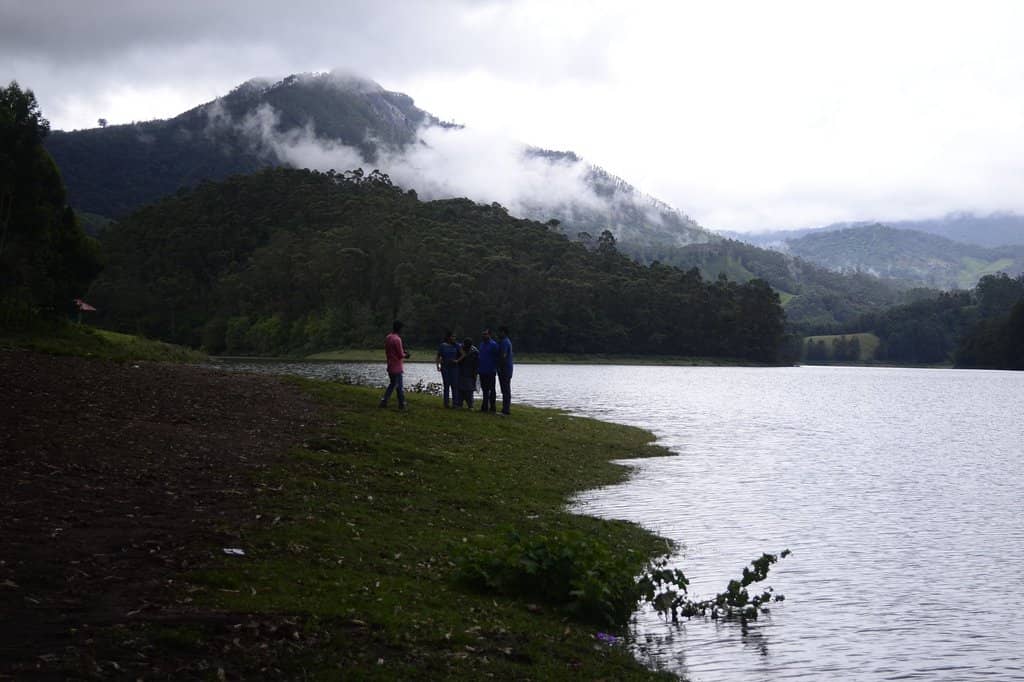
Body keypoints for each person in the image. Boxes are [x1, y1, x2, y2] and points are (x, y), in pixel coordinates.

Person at [379, 320, 410, 409]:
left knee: (393, 384)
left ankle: (385, 401)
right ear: (399, 329)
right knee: (399, 386)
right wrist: (406, 355)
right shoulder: (397, 339)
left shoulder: (388, 337)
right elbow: (400, 355)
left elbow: (392, 350)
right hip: (397, 366)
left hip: (390, 364)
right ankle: (401, 404)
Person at [435, 330, 461, 408]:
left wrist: (457, 360)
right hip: (445, 367)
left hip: (454, 368)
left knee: (455, 385)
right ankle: (446, 403)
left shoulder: (457, 345)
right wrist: (437, 365)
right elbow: (438, 356)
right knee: (446, 385)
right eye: (452, 336)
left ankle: (455, 404)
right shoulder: (443, 345)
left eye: (455, 337)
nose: (454, 338)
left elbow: (463, 354)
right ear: (448, 337)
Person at [477, 328, 500, 412]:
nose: (484, 335)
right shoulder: (481, 344)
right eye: (483, 334)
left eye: (486, 334)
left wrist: (496, 368)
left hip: (491, 371)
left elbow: (497, 357)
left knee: (492, 390)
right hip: (482, 371)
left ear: (490, 335)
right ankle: (484, 407)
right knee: (484, 390)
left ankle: (493, 407)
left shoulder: (494, 345)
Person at [455, 337, 479, 408]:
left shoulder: (475, 352)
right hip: (461, 373)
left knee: (469, 391)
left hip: (470, 375)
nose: (466, 347)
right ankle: (459, 404)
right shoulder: (459, 349)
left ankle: (470, 405)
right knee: (460, 390)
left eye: (468, 345)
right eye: (465, 345)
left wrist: (475, 374)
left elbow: (476, 364)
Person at [497, 325, 514, 415]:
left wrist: (499, 367)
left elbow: (503, 356)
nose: (499, 334)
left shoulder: (504, 342)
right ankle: (505, 409)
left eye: (500, 332)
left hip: (505, 369)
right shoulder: (506, 341)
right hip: (507, 369)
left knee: (506, 390)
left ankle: (506, 410)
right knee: (505, 390)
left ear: (504, 332)